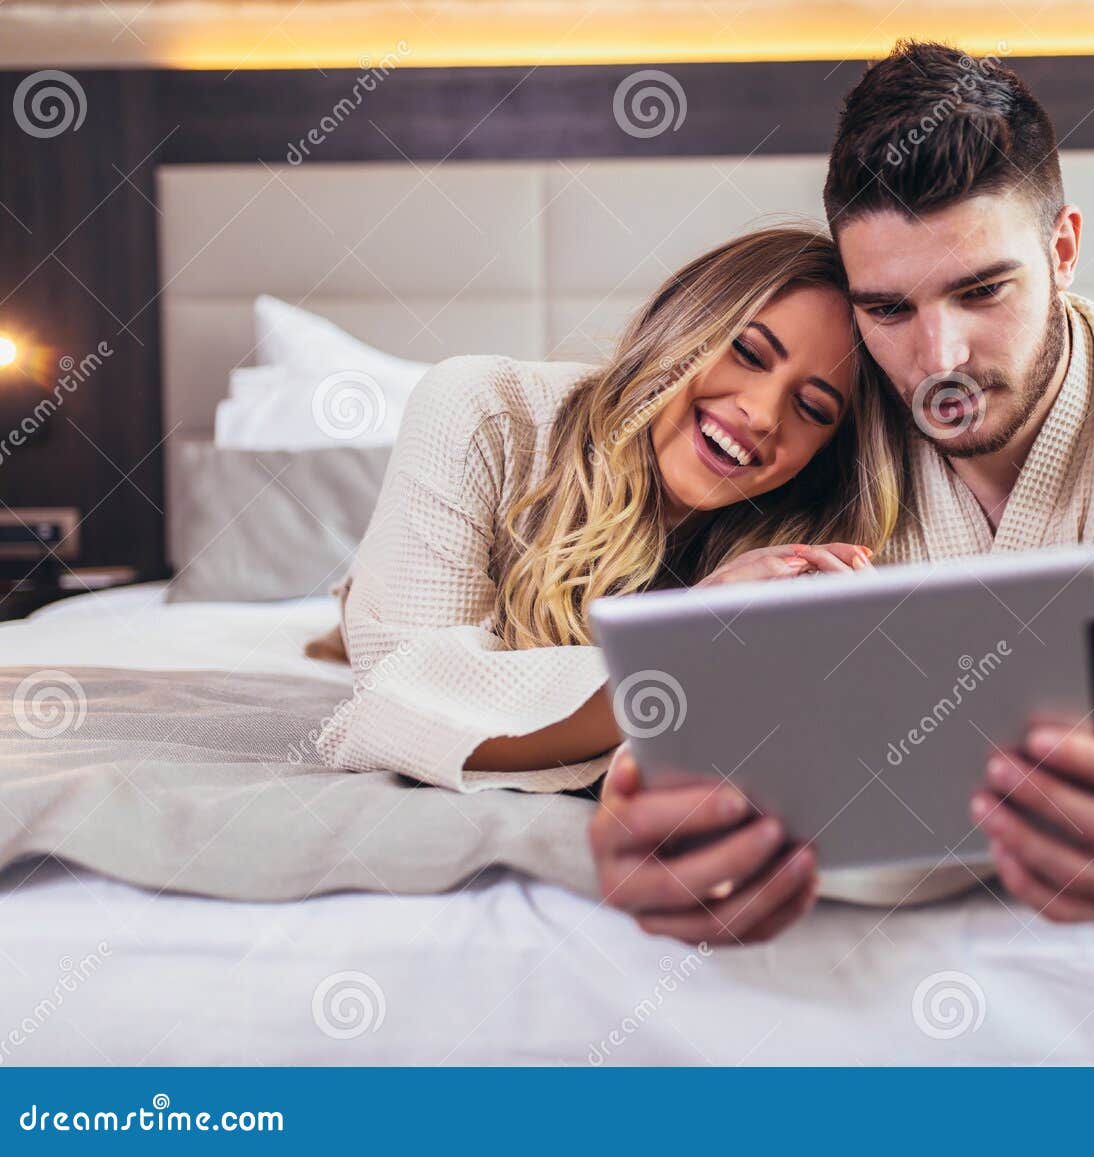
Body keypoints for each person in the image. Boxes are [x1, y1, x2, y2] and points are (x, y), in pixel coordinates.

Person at [591, 41, 1094, 943]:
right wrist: (664, 824)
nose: (937, 360)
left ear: (1063, 250)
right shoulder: (811, 424)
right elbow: (713, 703)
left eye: (982, 290)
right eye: (888, 309)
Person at [316, 227, 906, 943]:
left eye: (812, 409)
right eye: (748, 352)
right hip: (390, 597)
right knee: (351, 626)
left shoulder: (782, 548)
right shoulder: (480, 410)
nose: (760, 413)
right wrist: (688, 641)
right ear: (683, 322)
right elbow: (396, 701)